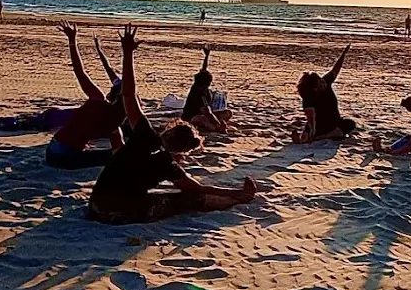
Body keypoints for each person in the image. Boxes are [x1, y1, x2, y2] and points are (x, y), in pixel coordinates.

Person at [87, 24, 256, 224]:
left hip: (95, 205)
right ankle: (236, 200)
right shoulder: (168, 165)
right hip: (121, 213)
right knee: (188, 199)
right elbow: (197, 189)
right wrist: (235, 193)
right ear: (182, 150)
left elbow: (129, 94)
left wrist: (128, 53)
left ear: (168, 131)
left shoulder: (145, 135)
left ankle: (236, 198)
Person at [45, 22, 126, 170]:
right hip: (66, 156)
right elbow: (119, 151)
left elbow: (79, 71)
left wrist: (72, 41)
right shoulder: (114, 123)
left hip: (52, 150)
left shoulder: (97, 99)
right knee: (118, 156)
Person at [293, 45, 356, 142]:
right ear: (315, 88)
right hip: (319, 124)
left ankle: (317, 137)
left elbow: (335, 69)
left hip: (334, 122)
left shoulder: (326, 82)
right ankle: (309, 137)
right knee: (310, 129)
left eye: (321, 80)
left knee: (349, 123)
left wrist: (343, 54)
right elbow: (310, 116)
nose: (323, 83)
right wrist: (312, 129)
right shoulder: (308, 96)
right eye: (320, 83)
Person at [181, 47, 231, 133]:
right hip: (191, 118)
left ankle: (216, 125)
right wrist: (218, 124)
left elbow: (204, 69)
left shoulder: (203, 88)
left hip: (205, 115)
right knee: (203, 119)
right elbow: (208, 113)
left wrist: (206, 56)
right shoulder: (198, 93)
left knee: (227, 113)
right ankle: (217, 128)